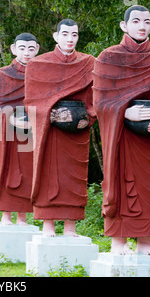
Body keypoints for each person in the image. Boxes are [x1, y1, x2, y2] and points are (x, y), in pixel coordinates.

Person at [93, 5, 150, 255]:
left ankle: (145, 242)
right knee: (121, 183)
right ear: (124, 25)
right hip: (121, 136)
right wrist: (124, 111)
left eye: (146, 22)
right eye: (135, 21)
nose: (142, 26)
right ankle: (118, 241)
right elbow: (99, 102)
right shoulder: (108, 57)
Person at [24, 19, 96, 236]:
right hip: (50, 130)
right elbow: (31, 100)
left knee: (74, 177)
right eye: (65, 34)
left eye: (74, 35)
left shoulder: (89, 63)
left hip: (77, 131)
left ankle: (71, 228)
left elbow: (96, 97)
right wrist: (52, 113)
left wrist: (89, 117)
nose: (70, 39)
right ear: (55, 37)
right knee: (49, 175)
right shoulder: (38, 64)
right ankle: (48, 226)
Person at [0, 33, 39, 225]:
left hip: (32, 133)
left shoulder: (43, 74)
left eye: (31, 49)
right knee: (6, 170)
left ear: (37, 50)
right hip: (7, 134)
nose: (27, 53)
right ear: (13, 49)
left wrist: (35, 118)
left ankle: (23, 218)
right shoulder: (1, 75)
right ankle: (6, 216)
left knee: (28, 172)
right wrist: (12, 119)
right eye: (22, 48)